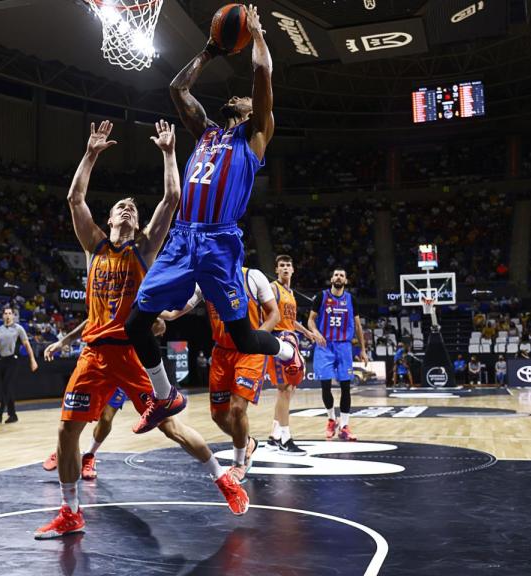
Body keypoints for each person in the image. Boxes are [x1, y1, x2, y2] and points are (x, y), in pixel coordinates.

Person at [34, 120, 248, 540]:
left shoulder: (145, 246)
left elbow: (172, 198)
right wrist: (91, 153)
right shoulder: (94, 244)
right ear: (110, 217)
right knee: (66, 430)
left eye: (133, 205)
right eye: (121, 206)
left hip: (134, 352)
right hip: (94, 355)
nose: (128, 207)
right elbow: (75, 197)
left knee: (170, 427)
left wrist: (170, 152)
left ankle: (224, 479)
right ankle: (71, 512)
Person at [125, 5, 303, 434]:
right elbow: (176, 89)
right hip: (183, 239)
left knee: (244, 339)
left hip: (220, 243)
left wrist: (257, 34)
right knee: (136, 323)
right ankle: (165, 396)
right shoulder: (206, 131)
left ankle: (285, 349)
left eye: (242, 98)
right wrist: (207, 52)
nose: (238, 96)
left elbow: (262, 77)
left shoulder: (256, 134)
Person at [162, 265, 279, 480]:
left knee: (237, 409)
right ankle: (248, 442)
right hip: (222, 353)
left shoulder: (253, 276)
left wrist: (257, 339)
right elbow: (175, 312)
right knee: (219, 416)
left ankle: (238, 463)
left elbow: (274, 314)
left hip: (249, 352)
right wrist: (150, 311)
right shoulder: (205, 280)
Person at [40, 317, 167, 481]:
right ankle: (64, 450)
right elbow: (90, 319)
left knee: (106, 417)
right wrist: (66, 340)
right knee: (78, 417)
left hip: (125, 367)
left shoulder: (143, 305)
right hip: (100, 364)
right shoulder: (107, 302)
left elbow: (161, 324)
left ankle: (90, 455)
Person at [265, 254, 318, 455]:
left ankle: (273, 437)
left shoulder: (290, 293)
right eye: (281, 266)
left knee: (290, 388)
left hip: (291, 339)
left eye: (288, 265)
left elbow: (291, 320)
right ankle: (285, 439)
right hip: (278, 341)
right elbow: (268, 314)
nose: (285, 268)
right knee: (284, 389)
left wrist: (307, 332)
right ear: (277, 269)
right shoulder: (272, 288)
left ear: (293, 270)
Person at [307, 269, 368, 442]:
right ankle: (332, 419)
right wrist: (315, 332)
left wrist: (363, 350)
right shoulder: (321, 297)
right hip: (324, 345)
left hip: (344, 347)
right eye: (336, 275)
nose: (338, 277)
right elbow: (311, 320)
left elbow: (357, 326)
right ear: (331, 278)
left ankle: (345, 426)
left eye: (342, 275)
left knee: (345, 387)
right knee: (325, 385)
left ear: (346, 280)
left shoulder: (351, 299)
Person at [0, 306, 38, 424]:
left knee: (6, 387)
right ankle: (13, 415)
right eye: (5, 313)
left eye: (10, 313)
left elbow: (27, 345)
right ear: (3, 316)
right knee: (7, 389)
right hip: (2, 361)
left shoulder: (18, 329)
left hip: (13, 361)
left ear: (13, 315)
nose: (7, 315)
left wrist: (32, 360)